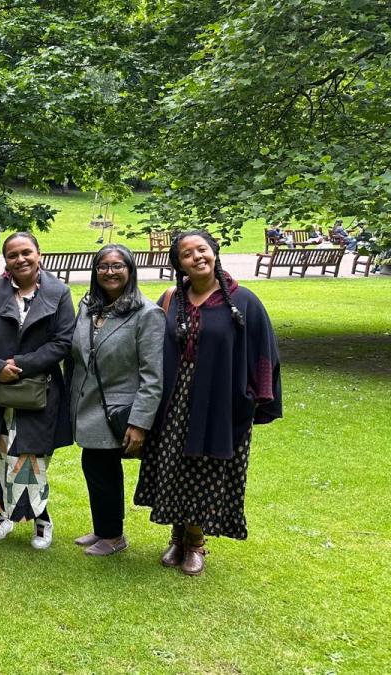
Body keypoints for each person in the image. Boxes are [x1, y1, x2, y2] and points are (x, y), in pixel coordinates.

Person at [135, 230, 281, 576]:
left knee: (206, 468)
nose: (196, 257)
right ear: (179, 264)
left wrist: (257, 398)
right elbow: (152, 345)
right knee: (173, 465)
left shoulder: (244, 301)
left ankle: (196, 541)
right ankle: (177, 535)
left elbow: (265, 352)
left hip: (220, 401)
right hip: (175, 401)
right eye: (187, 254)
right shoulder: (172, 298)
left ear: (214, 252)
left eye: (202, 249)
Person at [0, 232, 75, 550]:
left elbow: (63, 341)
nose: (20, 259)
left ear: (39, 254)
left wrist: (18, 364)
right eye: (12, 254)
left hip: (38, 390)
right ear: (5, 259)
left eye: (26, 252)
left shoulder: (59, 292)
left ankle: (41, 520)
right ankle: (3, 515)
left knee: (30, 458)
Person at [65, 245, 164, 556]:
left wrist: (139, 423)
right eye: (103, 266)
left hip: (118, 408)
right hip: (87, 403)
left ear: (130, 270)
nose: (110, 272)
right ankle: (103, 528)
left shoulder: (147, 314)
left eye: (118, 265)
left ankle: (113, 536)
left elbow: (153, 375)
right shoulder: (88, 307)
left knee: (102, 466)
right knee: (96, 465)